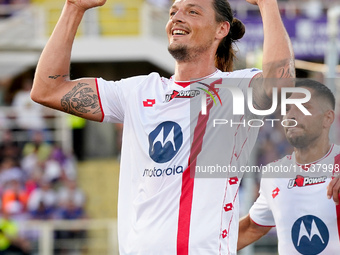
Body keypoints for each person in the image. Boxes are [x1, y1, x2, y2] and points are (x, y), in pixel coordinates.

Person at [30, 0, 295, 254]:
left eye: (192, 12)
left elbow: (280, 84)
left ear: (221, 29)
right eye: (173, 12)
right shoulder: (137, 90)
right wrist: (73, 7)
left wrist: (266, 3)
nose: (176, 18)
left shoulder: (236, 88)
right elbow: (48, 89)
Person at [238, 79, 340, 254]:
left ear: (327, 118)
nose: (291, 116)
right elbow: (252, 228)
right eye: (286, 109)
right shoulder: (273, 174)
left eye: (302, 107)